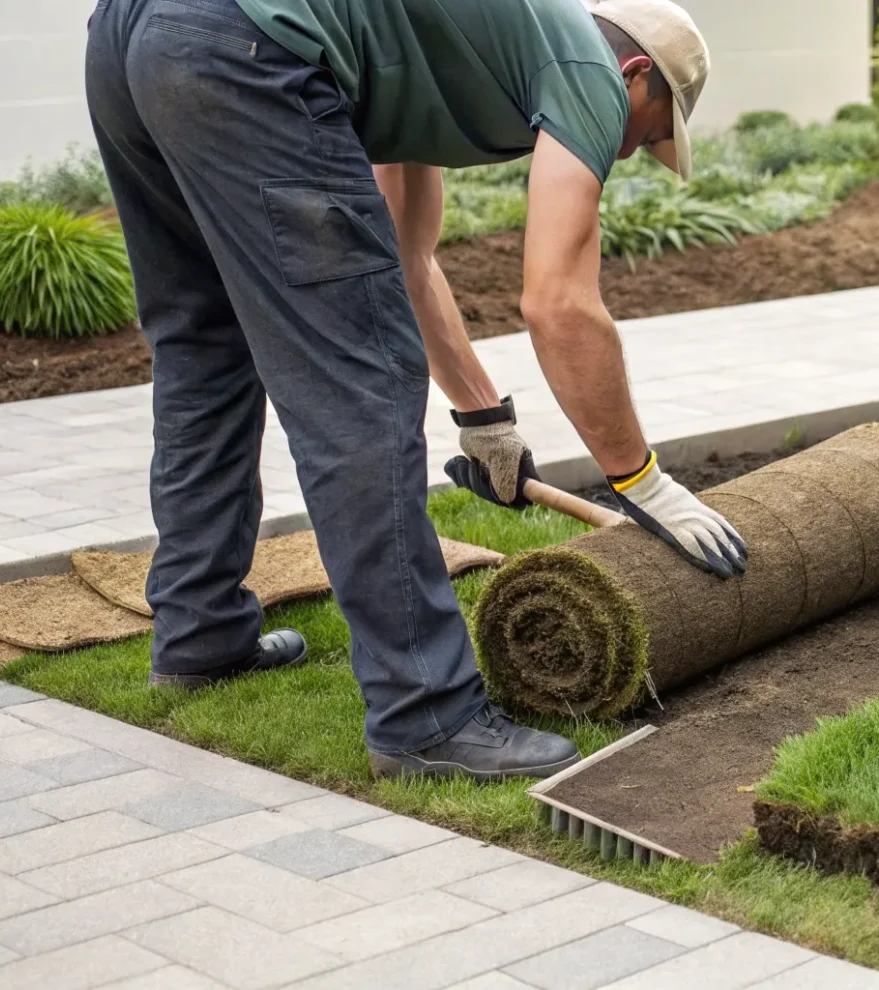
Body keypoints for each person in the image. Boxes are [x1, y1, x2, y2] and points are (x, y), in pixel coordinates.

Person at [84, 0, 748, 782]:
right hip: (240, 44)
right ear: (634, 75)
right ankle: (427, 714)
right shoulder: (588, 70)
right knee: (360, 388)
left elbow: (406, 257)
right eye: (651, 131)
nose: (631, 151)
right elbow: (559, 304)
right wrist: (642, 480)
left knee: (206, 349)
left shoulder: (445, 41)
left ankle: (200, 636)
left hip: (137, 34)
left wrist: (485, 420)